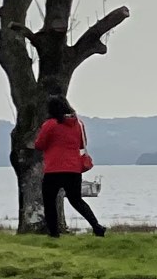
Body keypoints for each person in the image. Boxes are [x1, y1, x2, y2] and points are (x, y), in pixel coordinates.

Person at [31, 96, 104, 238]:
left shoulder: (50, 124)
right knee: (76, 200)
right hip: (73, 169)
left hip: (54, 169)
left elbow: (39, 145)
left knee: (49, 201)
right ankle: (96, 226)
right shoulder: (79, 124)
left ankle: (54, 233)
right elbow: (82, 144)